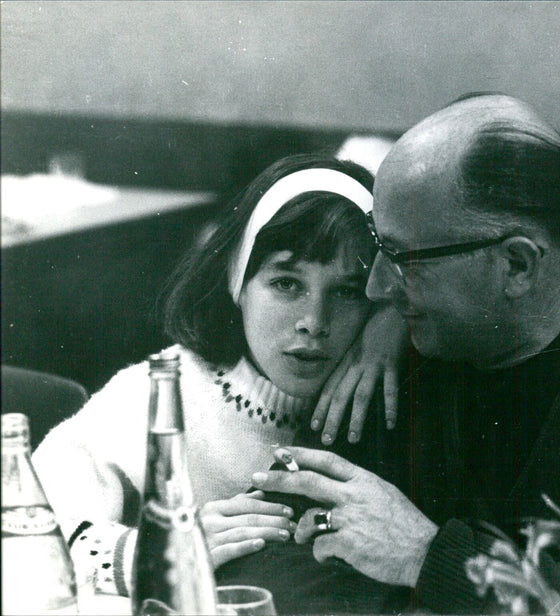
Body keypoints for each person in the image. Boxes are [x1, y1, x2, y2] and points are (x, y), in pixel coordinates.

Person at [252, 94, 560, 614]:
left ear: (517, 264)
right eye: (378, 246)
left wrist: (428, 557)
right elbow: (279, 557)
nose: (377, 288)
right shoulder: (390, 359)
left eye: (403, 258)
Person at [32, 153, 408, 599]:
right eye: (287, 284)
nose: (314, 320)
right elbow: (30, 534)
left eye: (346, 292)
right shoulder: (163, 391)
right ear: (238, 283)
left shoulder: (386, 384)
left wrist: (394, 324)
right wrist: (160, 553)